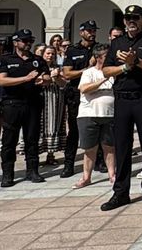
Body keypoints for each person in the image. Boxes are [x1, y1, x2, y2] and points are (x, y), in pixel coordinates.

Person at [100, 5, 142, 211]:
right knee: (122, 148)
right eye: (128, 18)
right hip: (122, 100)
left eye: (135, 17)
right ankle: (121, 192)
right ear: (124, 21)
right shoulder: (117, 43)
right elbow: (105, 71)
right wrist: (125, 67)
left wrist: (136, 61)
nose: (132, 21)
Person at [0, 29, 50, 187]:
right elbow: (2, 81)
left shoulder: (37, 60)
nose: (27, 44)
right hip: (12, 103)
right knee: (9, 141)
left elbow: (46, 77)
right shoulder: (6, 59)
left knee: (32, 139)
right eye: (24, 41)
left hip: (33, 103)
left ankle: (32, 170)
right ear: (15, 42)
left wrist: (43, 80)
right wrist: (25, 79)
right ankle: (8, 174)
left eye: (30, 41)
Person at [60, 20, 99, 178]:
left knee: (98, 127)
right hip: (77, 94)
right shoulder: (73, 50)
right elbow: (68, 74)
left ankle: (100, 161)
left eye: (94, 30)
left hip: (96, 93)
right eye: (89, 30)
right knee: (74, 131)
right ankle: (68, 164)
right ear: (81, 32)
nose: (92, 33)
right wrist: (87, 69)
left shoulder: (99, 49)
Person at [73, 44, 117, 188]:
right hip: (89, 114)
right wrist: (103, 79)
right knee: (90, 148)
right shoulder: (89, 72)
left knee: (109, 147)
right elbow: (84, 89)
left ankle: (112, 174)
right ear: (98, 57)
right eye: (106, 56)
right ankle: (86, 177)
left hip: (109, 114)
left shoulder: (114, 72)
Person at [38, 44, 67, 166]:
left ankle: (51, 154)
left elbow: (63, 84)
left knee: (53, 124)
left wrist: (56, 78)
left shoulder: (58, 68)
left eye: (52, 54)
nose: (50, 56)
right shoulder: (37, 67)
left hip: (54, 98)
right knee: (39, 125)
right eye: (48, 53)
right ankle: (36, 155)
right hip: (40, 98)